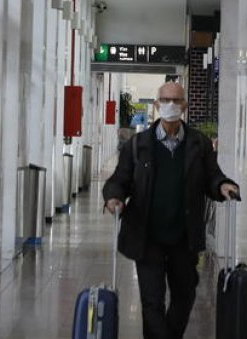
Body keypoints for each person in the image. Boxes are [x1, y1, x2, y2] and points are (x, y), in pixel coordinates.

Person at [102, 81, 239, 339]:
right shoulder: (138, 145)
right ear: (156, 105)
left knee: (185, 295)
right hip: (147, 236)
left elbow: (212, 176)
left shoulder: (199, 144)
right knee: (152, 302)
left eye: (176, 101)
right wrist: (113, 198)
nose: (170, 106)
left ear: (184, 105)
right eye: (165, 100)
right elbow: (120, 180)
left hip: (183, 238)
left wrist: (222, 185)